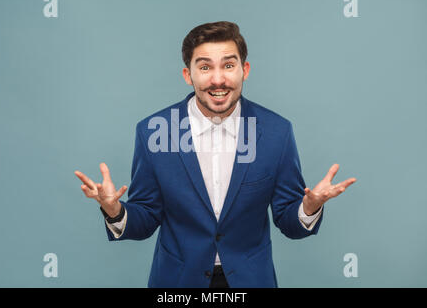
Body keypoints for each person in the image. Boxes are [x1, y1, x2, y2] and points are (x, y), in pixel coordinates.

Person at [74, 21, 356, 288]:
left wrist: (309, 207)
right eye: (205, 67)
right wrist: (114, 210)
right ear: (188, 75)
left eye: (229, 65)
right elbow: (146, 218)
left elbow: (289, 221)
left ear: (244, 70)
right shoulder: (153, 132)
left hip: (250, 280)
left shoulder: (276, 132)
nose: (218, 79)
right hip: (177, 282)